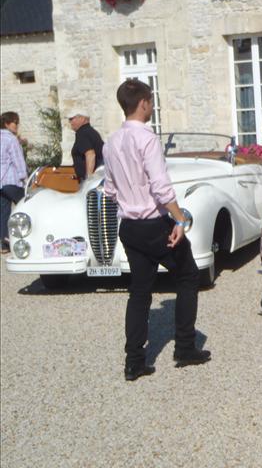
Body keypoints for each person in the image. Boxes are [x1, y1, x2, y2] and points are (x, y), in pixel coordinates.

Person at [103, 80, 210, 381]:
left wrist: (130, 201)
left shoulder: (110, 142)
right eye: (150, 101)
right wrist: (180, 220)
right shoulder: (147, 138)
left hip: (130, 226)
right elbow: (161, 187)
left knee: (139, 291)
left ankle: (134, 362)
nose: (151, 105)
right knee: (188, 275)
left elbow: (109, 189)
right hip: (154, 224)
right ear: (143, 103)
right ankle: (185, 347)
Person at [1, 112, 27, 254]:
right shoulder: (11, 139)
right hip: (11, 181)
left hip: (1, 183)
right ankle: (30, 238)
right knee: (27, 206)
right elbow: (18, 161)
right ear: (6, 124)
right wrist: (25, 179)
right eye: (15, 122)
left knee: (3, 213)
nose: (17, 125)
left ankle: (5, 245)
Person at [67, 110, 104, 181]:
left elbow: (90, 155)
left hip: (93, 180)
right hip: (97, 178)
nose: (70, 122)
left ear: (82, 118)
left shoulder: (82, 133)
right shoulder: (90, 131)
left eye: (71, 119)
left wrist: (88, 179)